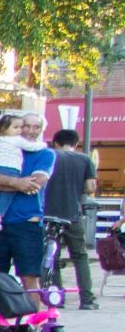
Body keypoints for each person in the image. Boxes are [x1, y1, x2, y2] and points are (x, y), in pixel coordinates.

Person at [0, 110, 55, 292]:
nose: (30, 131)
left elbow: (34, 184)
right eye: (25, 125)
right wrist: (16, 183)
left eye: (37, 127)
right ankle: (1, 318)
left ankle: (33, 320)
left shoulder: (45, 154)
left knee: (29, 278)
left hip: (26, 223)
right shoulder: (1, 149)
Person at [45, 127, 100, 310]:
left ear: (56, 143)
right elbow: (91, 187)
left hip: (48, 214)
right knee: (80, 256)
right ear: (75, 144)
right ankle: (86, 299)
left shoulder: (48, 156)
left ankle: (56, 297)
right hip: (72, 215)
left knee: (52, 256)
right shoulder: (84, 159)